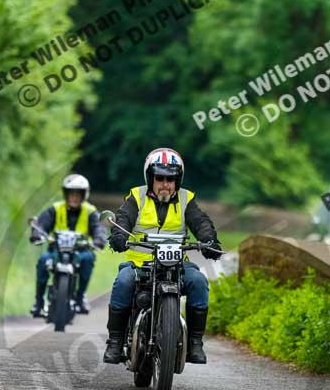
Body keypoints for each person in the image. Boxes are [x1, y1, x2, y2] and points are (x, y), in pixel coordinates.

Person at [103, 148, 222, 365]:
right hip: (140, 263)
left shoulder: (187, 199)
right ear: (151, 178)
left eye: (171, 179)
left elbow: (200, 222)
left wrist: (210, 240)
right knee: (123, 282)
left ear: (178, 180)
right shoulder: (136, 196)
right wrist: (119, 235)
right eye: (160, 178)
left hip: (175, 264)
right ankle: (115, 342)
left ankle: (195, 343)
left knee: (198, 282)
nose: (165, 184)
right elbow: (123, 218)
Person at [30, 174, 106, 317]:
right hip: (56, 251)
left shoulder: (90, 211)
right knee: (43, 261)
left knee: (89, 259)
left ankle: (80, 296)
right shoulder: (55, 209)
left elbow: (99, 227)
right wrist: (37, 233)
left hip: (80, 251)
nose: (75, 197)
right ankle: (38, 301)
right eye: (71, 193)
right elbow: (42, 224)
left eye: (78, 194)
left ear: (84, 195)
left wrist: (99, 239)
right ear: (66, 194)